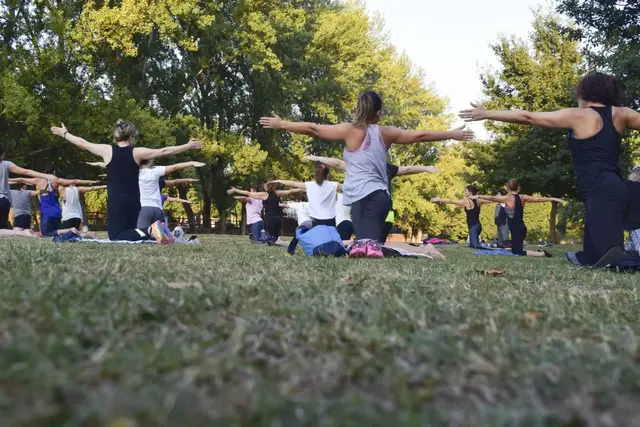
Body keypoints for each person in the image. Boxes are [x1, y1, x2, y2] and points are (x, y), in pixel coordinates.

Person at [261, 91, 473, 258]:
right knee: (368, 246)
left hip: (365, 200)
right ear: (378, 112)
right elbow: (420, 135)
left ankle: (424, 251)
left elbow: (314, 129)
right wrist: (451, 134)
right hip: (382, 199)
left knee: (369, 248)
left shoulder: (350, 130)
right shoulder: (386, 132)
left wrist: (283, 125)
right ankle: (418, 250)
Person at [460, 72, 640, 266]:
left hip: (601, 194)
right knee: (593, 257)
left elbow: (528, 117)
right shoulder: (623, 114)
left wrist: (488, 113)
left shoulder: (579, 115)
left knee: (609, 261)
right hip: (616, 190)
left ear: (584, 93)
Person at [51, 121, 203, 242]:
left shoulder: (106, 150)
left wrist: (64, 134)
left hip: (117, 200)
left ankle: (152, 230)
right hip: (134, 200)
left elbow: (83, 143)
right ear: (131, 137)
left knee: (116, 236)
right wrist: (187, 146)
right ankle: (165, 232)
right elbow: (163, 151)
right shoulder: (137, 152)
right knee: (132, 234)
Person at [305, 154, 439, 242]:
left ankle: (373, 245)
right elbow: (338, 164)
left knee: (374, 240)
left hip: (377, 211)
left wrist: (426, 168)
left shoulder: (370, 167)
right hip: (381, 210)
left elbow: (338, 164)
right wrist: (426, 168)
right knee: (374, 241)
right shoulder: (381, 167)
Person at [473, 179, 564, 256]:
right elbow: (538, 199)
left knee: (517, 252)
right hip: (521, 228)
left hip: (517, 230)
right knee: (516, 250)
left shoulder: (507, 198)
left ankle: (542, 254)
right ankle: (539, 252)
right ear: (518, 187)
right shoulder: (522, 197)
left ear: (508, 188)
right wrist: (554, 199)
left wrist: (479, 196)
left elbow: (492, 198)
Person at [20, 166, 99, 237]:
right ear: (54, 172)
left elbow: (22, 179)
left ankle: (71, 230)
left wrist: (9, 180)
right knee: (55, 232)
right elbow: (74, 181)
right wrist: (90, 181)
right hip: (57, 213)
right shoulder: (57, 182)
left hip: (47, 213)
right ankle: (85, 234)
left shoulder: (40, 181)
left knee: (46, 233)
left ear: (44, 172)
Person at [0, 144, 57, 229]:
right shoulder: (6, 164)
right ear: (3, 154)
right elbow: (26, 172)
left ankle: (22, 233)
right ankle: (24, 233)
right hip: (3, 201)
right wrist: (46, 176)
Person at [137, 160, 205, 230]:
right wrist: (190, 165)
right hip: (158, 209)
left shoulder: (134, 174)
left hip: (144, 208)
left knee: (142, 233)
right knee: (157, 235)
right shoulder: (157, 175)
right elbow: (175, 176)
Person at [227, 183, 303, 242]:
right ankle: (275, 239)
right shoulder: (277, 193)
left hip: (269, 219)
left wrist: (236, 190)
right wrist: (302, 188)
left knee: (267, 239)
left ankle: (268, 238)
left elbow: (247, 194)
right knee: (274, 239)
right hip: (278, 219)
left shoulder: (264, 195)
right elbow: (290, 191)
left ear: (267, 187)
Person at [626, 165, 640, 253]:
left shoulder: (627, 186)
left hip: (634, 224)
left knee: (631, 249)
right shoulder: (629, 186)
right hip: (636, 224)